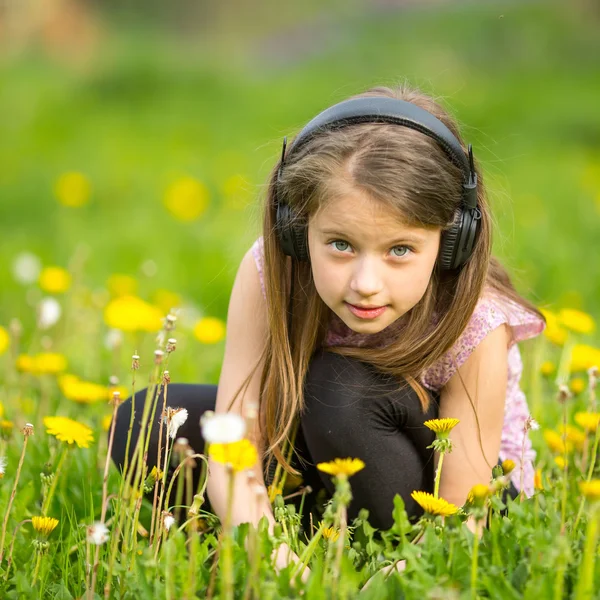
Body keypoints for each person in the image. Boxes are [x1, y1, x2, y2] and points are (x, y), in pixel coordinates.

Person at [110, 83, 546, 570]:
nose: (365, 284)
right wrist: (265, 553)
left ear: (451, 242)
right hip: (326, 453)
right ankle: (308, 537)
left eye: (400, 250)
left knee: (339, 387)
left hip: (458, 500)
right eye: (340, 244)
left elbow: (466, 503)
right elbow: (234, 439)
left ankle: (380, 558)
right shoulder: (268, 273)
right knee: (147, 420)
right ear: (296, 229)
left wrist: (412, 575)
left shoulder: (476, 318)